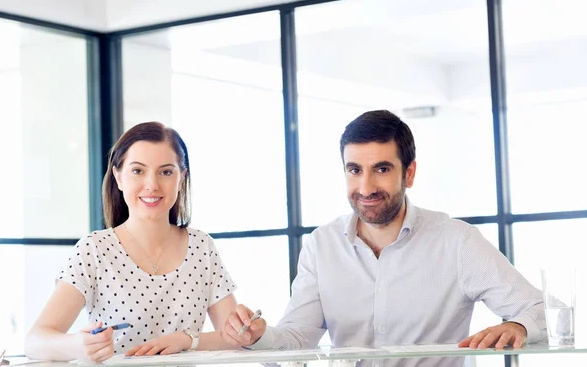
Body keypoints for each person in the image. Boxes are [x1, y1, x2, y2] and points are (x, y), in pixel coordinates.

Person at [222, 110, 546, 351]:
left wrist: (517, 324)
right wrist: (260, 335)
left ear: (410, 173)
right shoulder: (321, 245)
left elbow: (540, 310)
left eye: (382, 169)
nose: (366, 187)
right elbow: (297, 336)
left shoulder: (456, 241)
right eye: (354, 170)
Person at [25, 122, 238, 362]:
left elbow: (234, 337)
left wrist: (186, 339)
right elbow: (35, 341)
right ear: (118, 177)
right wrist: (78, 345)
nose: (152, 185)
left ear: (181, 179)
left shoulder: (202, 247)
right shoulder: (94, 249)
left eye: (166, 172)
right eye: (138, 171)